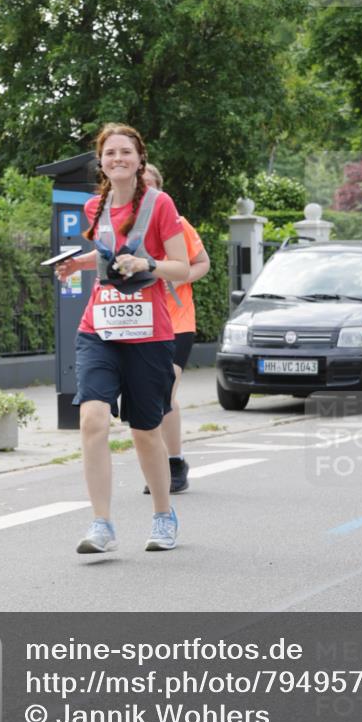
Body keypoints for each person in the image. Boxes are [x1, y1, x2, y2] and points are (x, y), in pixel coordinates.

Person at [55, 124, 189, 553]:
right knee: (92, 420)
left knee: (145, 430)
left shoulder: (160, 203)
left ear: (139, 158)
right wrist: (79, 265)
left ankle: (164, 515)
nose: (117, 159)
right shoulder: (95, 206)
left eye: (125, 152)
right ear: (102, 161)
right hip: (100, 327)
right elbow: (108, 254)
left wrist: (146, 262)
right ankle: (102, 524)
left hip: (149, 332)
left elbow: (182, 268)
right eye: (110, 152)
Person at [141, 163, 210, 494]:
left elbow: (202, 263)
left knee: (165, 389)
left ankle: (175, 463)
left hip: (176, 320)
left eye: (151, 187)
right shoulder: (124, 227)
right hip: (141, 319)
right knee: (144, 395)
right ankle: (156, 464)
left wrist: (178, 276)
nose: (146, 193)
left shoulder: (178, 224)